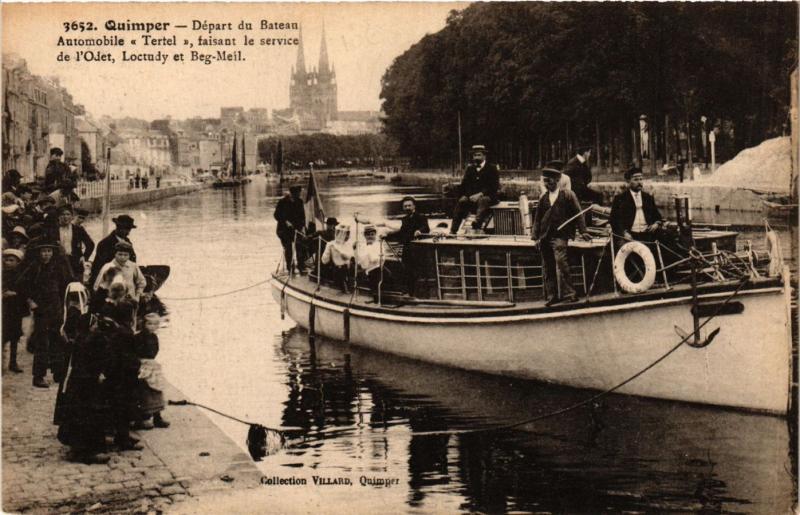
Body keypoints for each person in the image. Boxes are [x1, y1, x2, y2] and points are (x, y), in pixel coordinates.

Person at [17, 240, 74, 387]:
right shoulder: (34, 268)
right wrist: (30, 301)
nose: (46, 254)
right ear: (38, 253)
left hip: (56, 308)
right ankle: (38, 376)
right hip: (41, 310)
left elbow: (68, 283)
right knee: (42, 342)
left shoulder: (58, 268)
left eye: (49, 251)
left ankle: (58, 372)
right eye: (43, 251)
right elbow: (21, 285)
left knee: (58, 339)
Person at [532, 168, 592, 306]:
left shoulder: (568, 195)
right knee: (548, 266)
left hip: (560, 236)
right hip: (545, 237)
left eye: (551, 181)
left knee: (561, 263)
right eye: (546, 181)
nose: (548, 184)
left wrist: (583, 231)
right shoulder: (543, 198)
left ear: (558, 180)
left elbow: (578, 214)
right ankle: (552, 296)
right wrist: (535, 237)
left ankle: (570, 294)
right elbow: (537, 219)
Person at [384, 196, 430, 296]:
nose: (407, 207)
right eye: (405, 206)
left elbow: (426, 227)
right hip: (407, 249)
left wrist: (419, 231)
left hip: (418, 250)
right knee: (406, 270)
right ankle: (409, 293)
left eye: (409, 205)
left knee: (416, 271)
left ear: (414, 206)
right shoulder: (404, 219)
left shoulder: (421, 217)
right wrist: (387, 235)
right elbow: (402, 232)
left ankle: (418, 293)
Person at [450, 144, 500, 234]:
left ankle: (476, 224)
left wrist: (480, 194)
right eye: (475, 155)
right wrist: (466, 195)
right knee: (461, 202)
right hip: (472, 198)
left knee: (483, 200)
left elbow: (494, 186)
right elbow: (465, 185)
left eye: (479, 155)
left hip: (488, 197)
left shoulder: (492, 168)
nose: (476, 157)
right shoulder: (470, 169)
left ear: (484, 156)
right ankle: (453, 230)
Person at [133, 313, 169, 429]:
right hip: (142, 364)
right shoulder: (138, 337)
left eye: (155, 324)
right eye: (149, 324)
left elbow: (155, 350)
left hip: (152, 363)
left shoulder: (154, 337)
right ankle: (143, 418)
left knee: (157, 389)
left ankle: (157, 417)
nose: (152, 327)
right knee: (145, 391)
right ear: (144, 324)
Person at [609, 166, 664, 244]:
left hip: (648, 234)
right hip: (630, 235)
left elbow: (657, 216)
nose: (639, 182)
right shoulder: (620, 198)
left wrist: (656, 224)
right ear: (628, 181)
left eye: (641, 179)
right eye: (636, 179)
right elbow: (614, 220)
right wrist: (624, 233)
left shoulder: (648, 197)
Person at [90, 214, 138, 285]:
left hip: (126, 278)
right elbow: (99, 266)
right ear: (118, 228)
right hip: (109, 279)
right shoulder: (105, 243)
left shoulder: (128, 242)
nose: (128, 232)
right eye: (126, 229)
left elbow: (133, 260)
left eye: (129, 229)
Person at [2, 249, 27, 373]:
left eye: (11, 260)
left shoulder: (20, 276)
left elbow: (24, 292)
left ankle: (13, 362)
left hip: (15, 310)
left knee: (14, 337)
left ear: (18, 262)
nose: (7, 262)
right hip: (4, 310)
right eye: (6, 259)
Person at [56, 205, 95, 281]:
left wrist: (84, 256)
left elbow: (90, 244)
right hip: (58, 262)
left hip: (75, 261)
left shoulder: (78, 229)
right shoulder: (53, 229)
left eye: (68, 214)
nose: (65, 217)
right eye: (63, 214)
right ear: (58, 216)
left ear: (72, 216)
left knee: (76, 285)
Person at [274, 185, 306, 273]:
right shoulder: (282, 202)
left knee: (300, 246)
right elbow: (276, 215)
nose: (300, 195)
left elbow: (302, 216)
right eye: (298, 193)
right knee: (288, 248)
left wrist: (302, 226)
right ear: (293, 194)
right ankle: (290, 268)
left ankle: (301, 266)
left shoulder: (299, 202)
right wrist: (285, 221)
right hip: (283, 230)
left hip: (296, 229)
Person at [321, 224, 354, 293]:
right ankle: (344, 288)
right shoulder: (331, 244)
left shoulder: (348, 244)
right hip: (338, 268)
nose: (347, 236)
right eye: (346, 234)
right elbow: (324, 260)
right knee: (340, 271)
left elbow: (349, 256)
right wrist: (330, 250)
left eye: (348, 234)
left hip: (349, 268)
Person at [356, 225, 383, 302]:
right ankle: (375, 296)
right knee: (371, 273)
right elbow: (361, 260)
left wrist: (369, 252)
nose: (370, 236)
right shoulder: (363, 246)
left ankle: (377, 297)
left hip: (377, 267)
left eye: (372, 234)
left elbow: (377, 259)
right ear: (365, 236)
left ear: (375, 235)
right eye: (368, 235)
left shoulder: (379, 245)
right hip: (367, 268)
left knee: (377, 272)